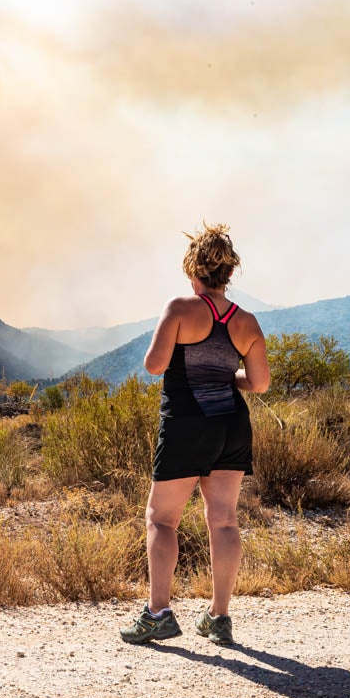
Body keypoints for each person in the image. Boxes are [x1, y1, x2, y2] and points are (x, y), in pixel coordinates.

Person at [119, 223, 270, 646]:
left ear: (193, 269)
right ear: (229, 272)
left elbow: (154, 365)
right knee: (223, 520)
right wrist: (226, 375)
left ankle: (158, 614)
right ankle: (219, 617)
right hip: (231, 426)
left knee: (161, 519)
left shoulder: (180, 308)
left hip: (187, 423)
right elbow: (258, 383)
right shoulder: (247, 321)